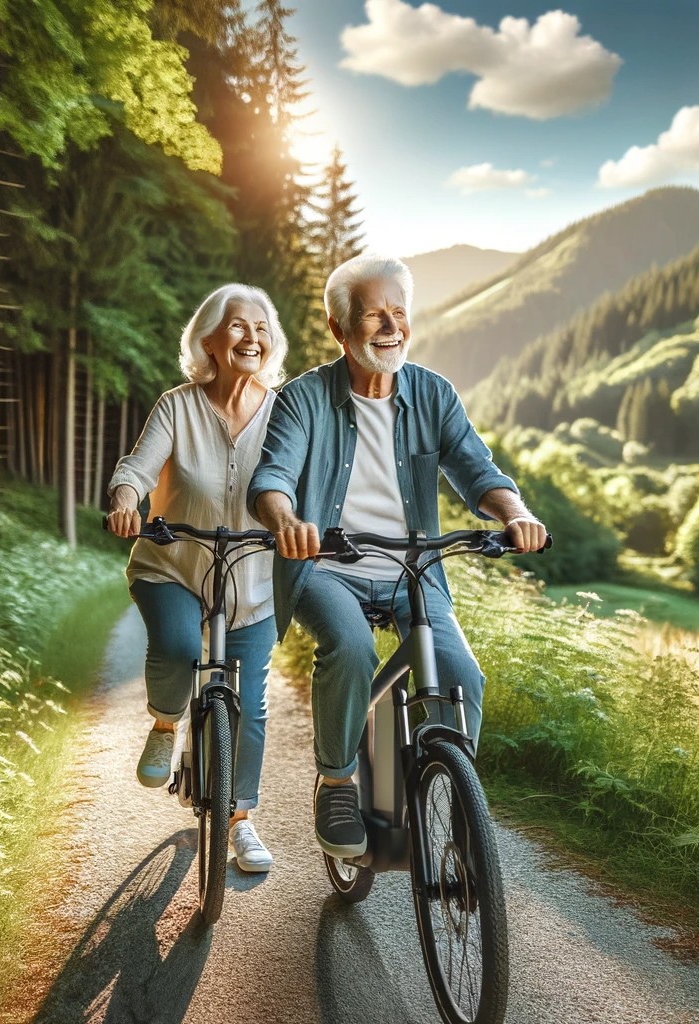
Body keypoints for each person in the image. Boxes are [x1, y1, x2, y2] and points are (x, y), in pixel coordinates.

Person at [247, 253, 547, 859]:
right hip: (326, 566)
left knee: (461, 676)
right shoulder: (303, 399)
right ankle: (337, 780)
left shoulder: (433, 393)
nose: (391, 326)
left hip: (414, 569)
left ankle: (464, 819)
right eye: (374, 315)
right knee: (353, 648)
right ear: (340, 329)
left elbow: (474, 468)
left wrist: (515, 513)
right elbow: (271, 478)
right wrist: (288, 523)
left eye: (399, 312)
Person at [106, 283, 287, 872]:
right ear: (208, 339)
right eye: (237, 326)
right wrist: (127, 500)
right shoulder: (177, 405)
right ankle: (166, 720)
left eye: (261, 328)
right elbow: (137, 467)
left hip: (252, 583)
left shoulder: (284, 410)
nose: (251, 337)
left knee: (252, 708)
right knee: (182, 647)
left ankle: (241, 820)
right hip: (173, 568)